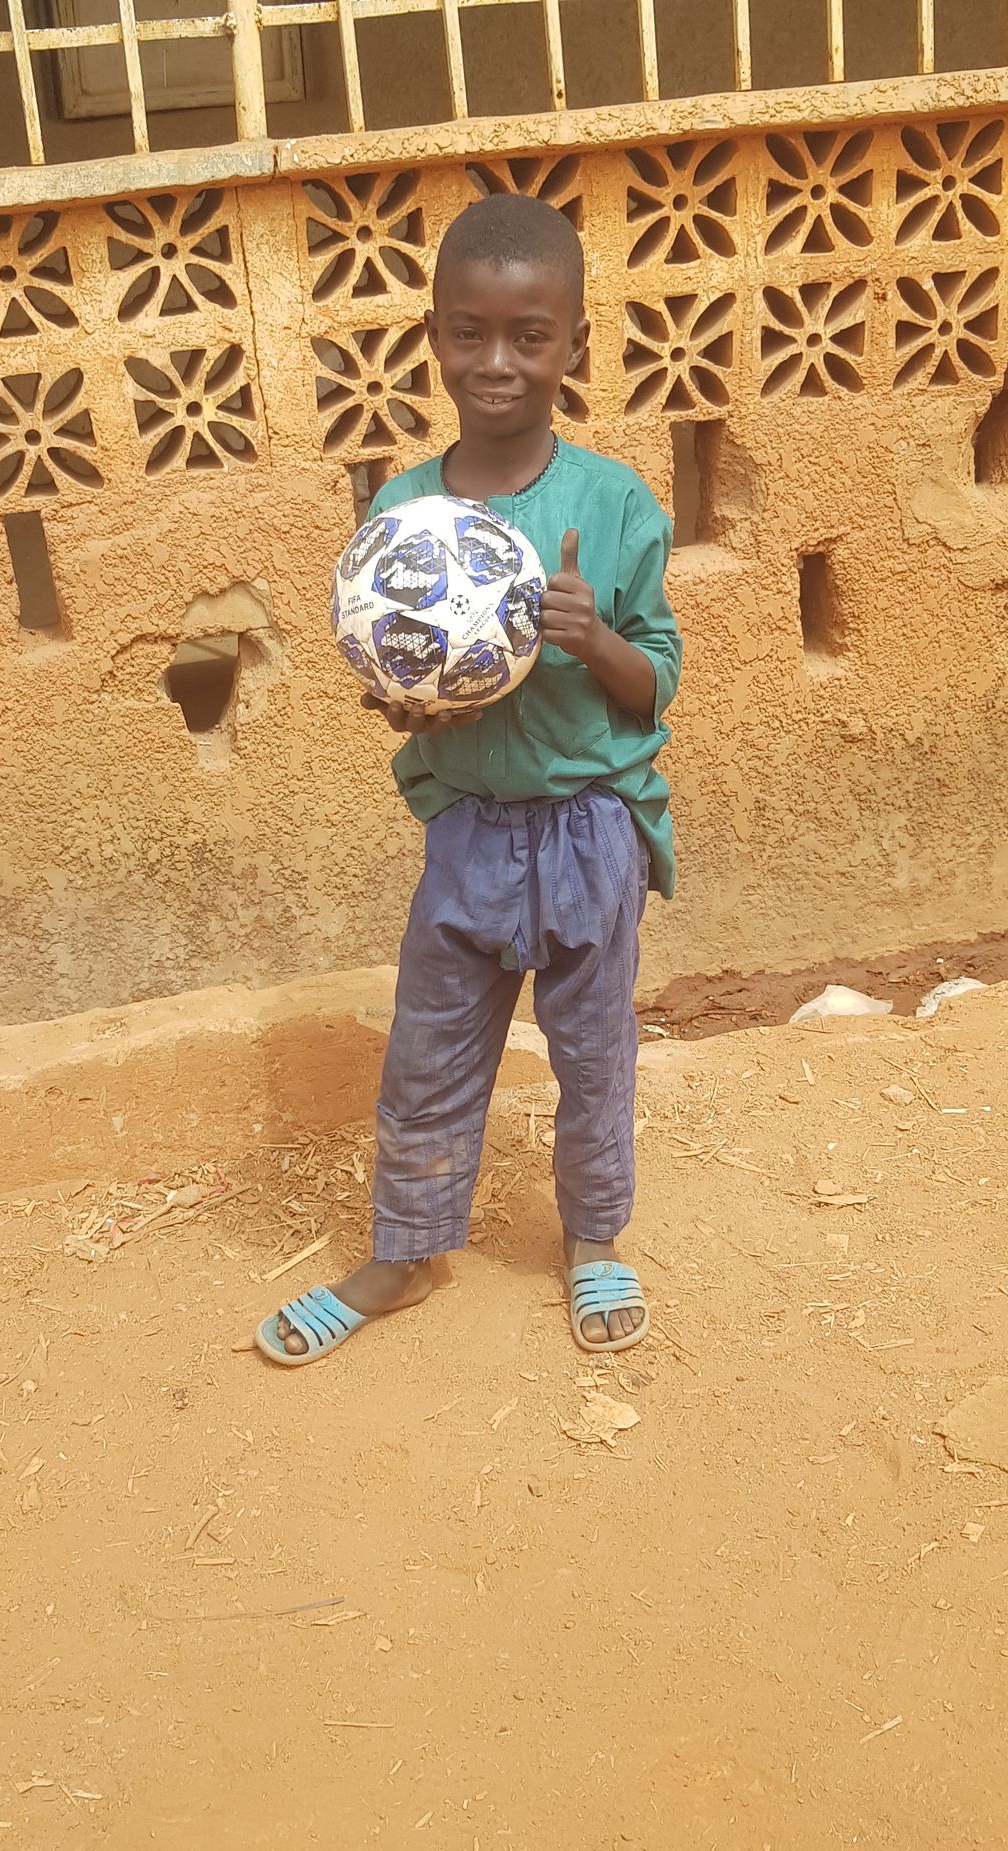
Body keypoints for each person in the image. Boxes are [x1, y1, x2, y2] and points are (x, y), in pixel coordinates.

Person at [256, 191, 683, 1365]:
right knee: (429, 1051)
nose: (497, 363)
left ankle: (593, 1239)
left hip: (591, 830)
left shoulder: (613, 503)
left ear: (574, 345)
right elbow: (397, 679)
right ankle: (405, 1255)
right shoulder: (405, 510)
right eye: (470, 333)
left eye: (529, 337)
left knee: (592, 1054)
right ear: (435, 338)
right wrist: (406, 699)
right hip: (469, 835)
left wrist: (594, 637)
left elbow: (656, 684)